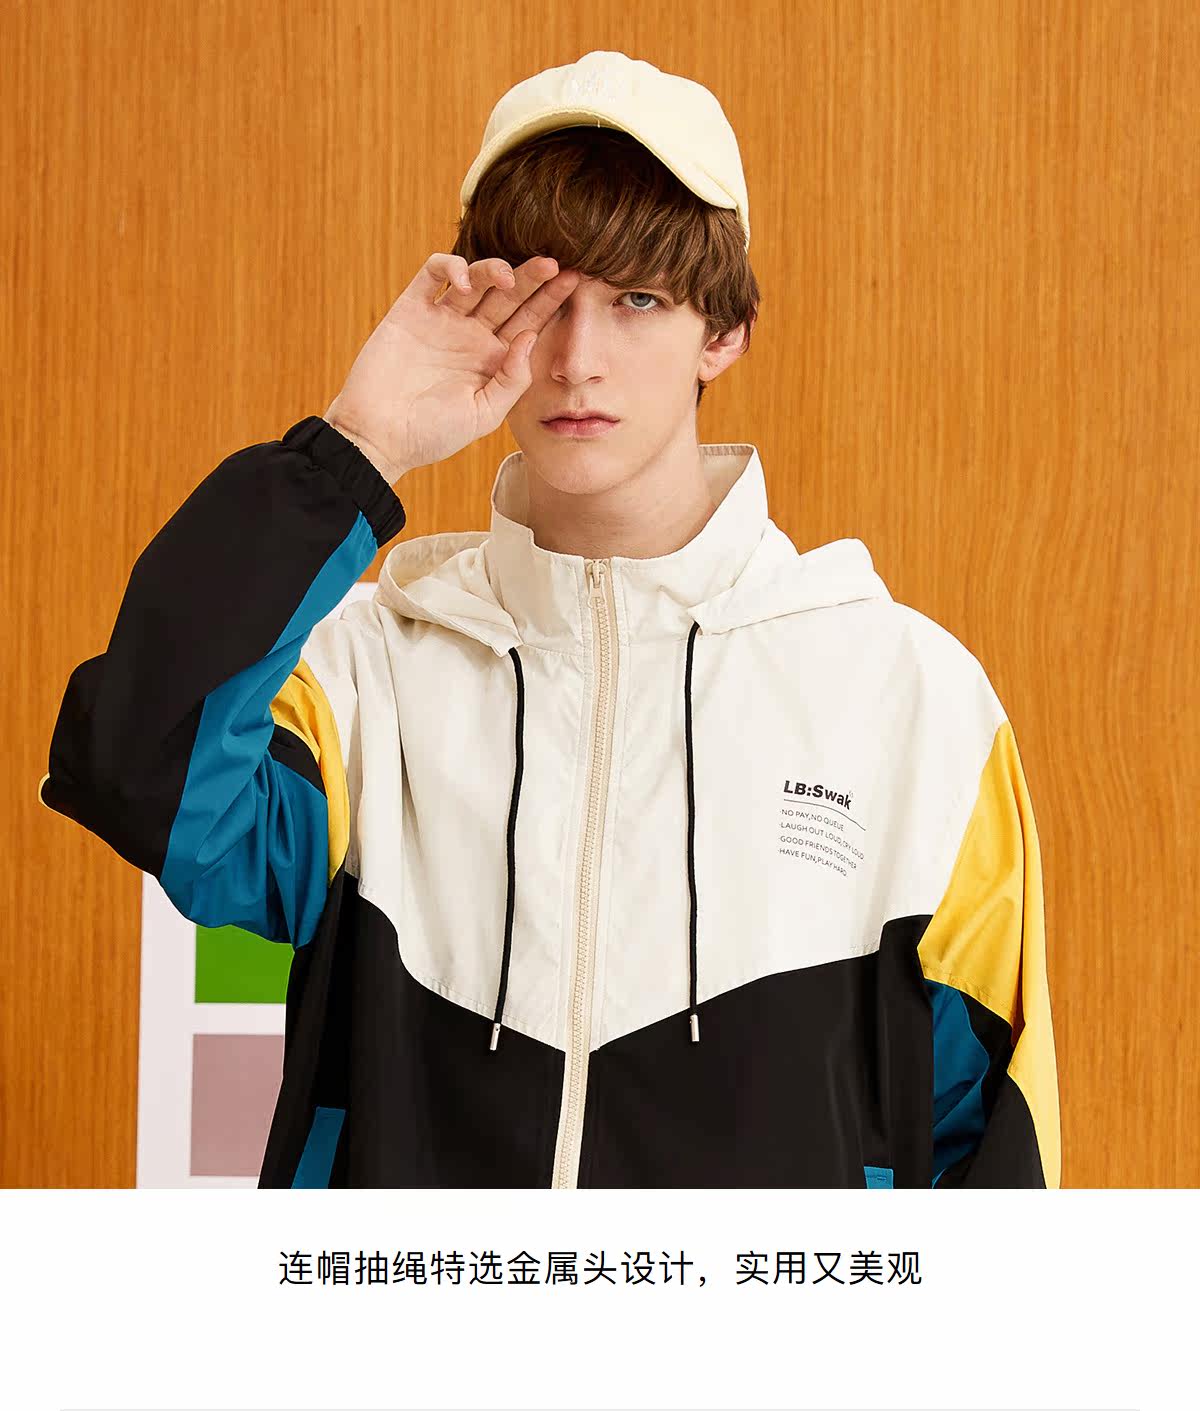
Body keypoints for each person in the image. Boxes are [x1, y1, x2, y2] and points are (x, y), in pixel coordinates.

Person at [40, 50, 1060, 1188]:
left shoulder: (910, 698)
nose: (577, 361)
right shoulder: (364, 677)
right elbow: (138, 774)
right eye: (545, 300)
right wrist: (359, 443)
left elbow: (989, 1143)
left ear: (723, 330)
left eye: (637, 300)